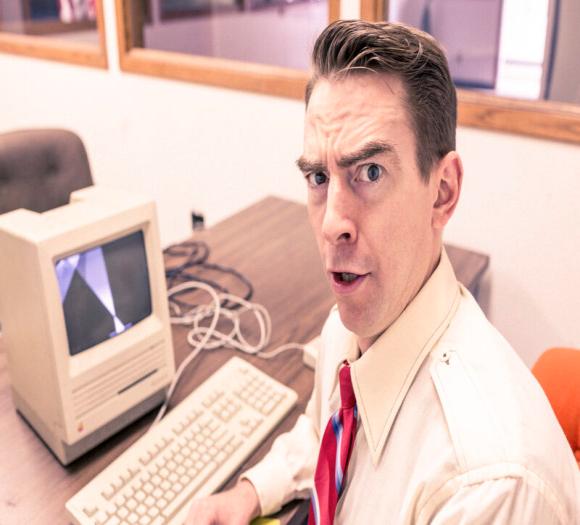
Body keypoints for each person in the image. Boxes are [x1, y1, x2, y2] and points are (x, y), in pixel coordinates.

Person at [187, 20, 580, 524]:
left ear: (442, 192)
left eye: (369, 172)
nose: (331, 223)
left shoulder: (485, 488)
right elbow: (327, 431)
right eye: (319, 177)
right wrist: (248, 494)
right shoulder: (352, 323)